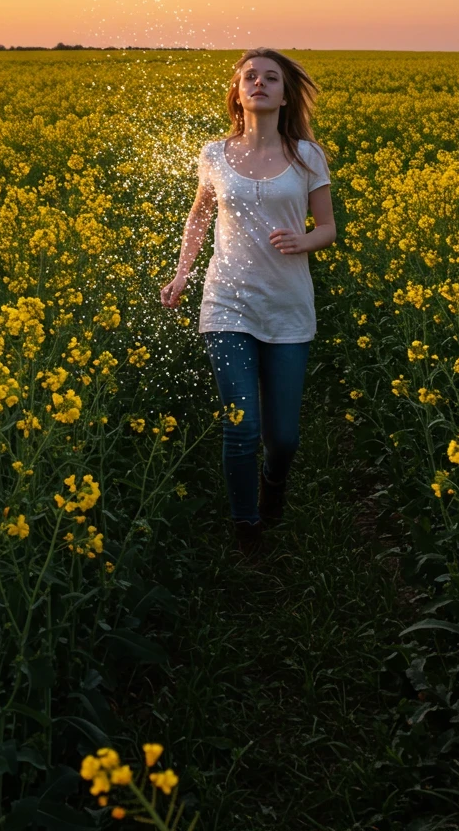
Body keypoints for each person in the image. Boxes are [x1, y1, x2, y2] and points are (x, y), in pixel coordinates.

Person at [160, 48, 337, 560]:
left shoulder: (308, 156)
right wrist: (180, 275)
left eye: (271, 77)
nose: (259, 83)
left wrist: (304, 241)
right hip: (227, 304)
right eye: (249, 77)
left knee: (282, 438)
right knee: (241, 427)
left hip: (287, 307)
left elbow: (327, 227)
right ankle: (247, 528)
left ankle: (272, 486)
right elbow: (198, 219)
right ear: (238, 93)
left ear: (285, 95)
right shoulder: (214, 154)